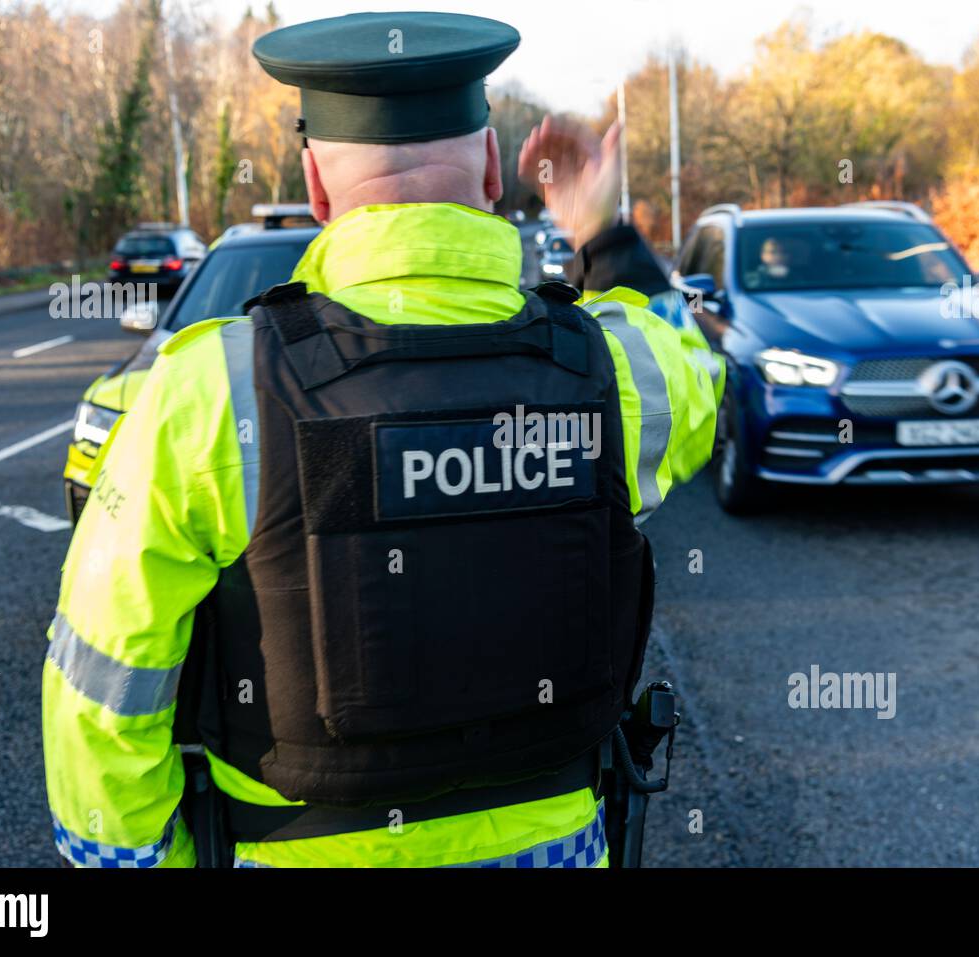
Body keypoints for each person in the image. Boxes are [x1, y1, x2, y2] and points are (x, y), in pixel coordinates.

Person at [41, 11, 722, 868]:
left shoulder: (210, 390)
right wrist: (601, 228)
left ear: (317, 192)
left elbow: (103, 682)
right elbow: (697, 361)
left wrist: (146, 858)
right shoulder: (619, 367)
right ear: (487, 168)